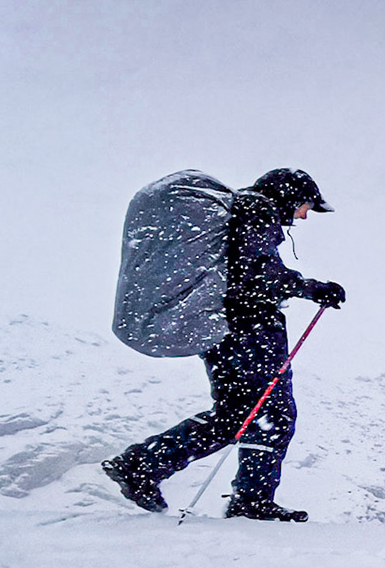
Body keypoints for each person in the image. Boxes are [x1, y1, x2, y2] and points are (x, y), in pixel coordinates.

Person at [102, 169, 345, 521]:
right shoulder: (258, 211)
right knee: (270, 416)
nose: (304, 216)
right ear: (290, 195)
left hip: (225, 331)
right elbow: (256, 273)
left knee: (239, 416)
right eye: (306, 206)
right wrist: (311, 288)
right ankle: (244, 500)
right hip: (248, 332)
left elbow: (245, 271)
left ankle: (144, 466)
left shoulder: (241, 213)